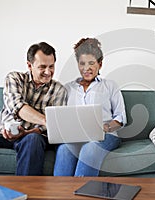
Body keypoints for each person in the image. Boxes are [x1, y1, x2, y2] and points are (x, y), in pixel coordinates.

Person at [0, 42, 67, 175]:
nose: (48, 72)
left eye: (51, 66)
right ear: (29, 65)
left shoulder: (59, 90)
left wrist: (30, 131)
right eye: (42, 67)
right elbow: (18, 107)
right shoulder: (14, 78)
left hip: (31, 136)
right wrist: (47, 120)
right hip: (0, 134)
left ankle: (26, 193)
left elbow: (51, 128)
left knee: (33, 139)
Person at [53, 38, 126, 176]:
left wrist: (106, 127)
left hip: (105, 136)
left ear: (100, 64)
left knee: (90, 149)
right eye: (82, 64)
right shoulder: (67, 88)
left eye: (91, 63)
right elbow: (60, 117)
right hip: (75, 137)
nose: (86, 69)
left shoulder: (110, 86)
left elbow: (120, 117)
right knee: (64, 150)